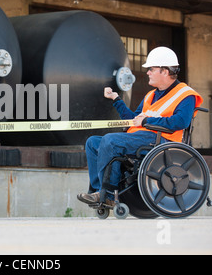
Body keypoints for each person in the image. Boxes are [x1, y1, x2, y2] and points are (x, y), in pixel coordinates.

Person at [77, 46, 203, 206]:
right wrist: (116, 99)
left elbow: (180, 122)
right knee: (92, 142)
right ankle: (97, 191)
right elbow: (133, 119)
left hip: (162, 141)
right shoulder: (151, 95)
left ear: (165, 71)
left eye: (151, 69)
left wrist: (146, 122)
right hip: (141, 137)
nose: (148, 72)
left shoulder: (186, 94)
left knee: (110, 140)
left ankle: (108, 194)